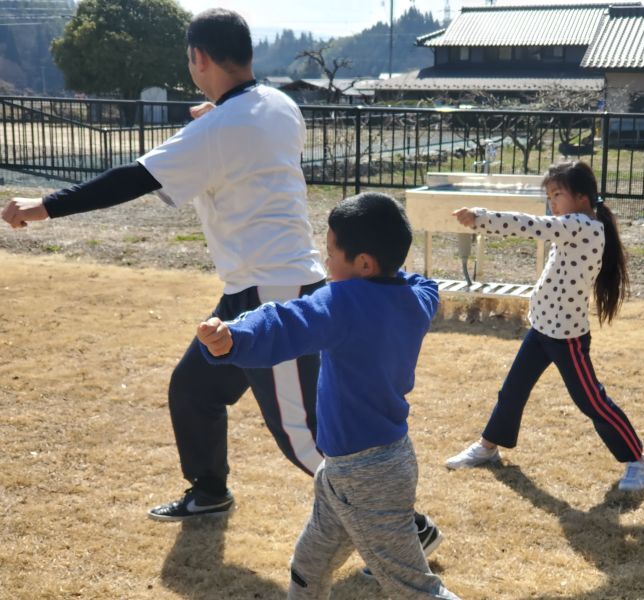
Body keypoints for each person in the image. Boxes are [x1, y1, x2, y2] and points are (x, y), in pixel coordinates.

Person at [0, 8, 441, 552]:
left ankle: (408, 527)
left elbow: (131, 180)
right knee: (195, 388)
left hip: (273, 289)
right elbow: (242, 137)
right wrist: (216, 115)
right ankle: (209, 489)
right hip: (253, 286)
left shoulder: (217, 128)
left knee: (305, 441)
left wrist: (41, 206)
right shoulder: (277, 105)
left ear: (199, 58)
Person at [197, 193, 460, 600]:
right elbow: (420, 281)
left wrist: (233, 337)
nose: (325, 261)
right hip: (368, 465)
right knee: (309, 568)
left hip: (364, 476)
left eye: (332, 251)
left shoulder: (343, 303)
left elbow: (287, 322)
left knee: (414, 589)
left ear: (364, 264)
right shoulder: (416, 299)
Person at [445, 161, 644, 492]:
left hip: (567, 338)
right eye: (549, 195)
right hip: (542, 329)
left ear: (583, 197)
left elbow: (531, 225)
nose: (552, 202)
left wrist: (482, 218)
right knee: (512, 390)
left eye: (558, 194)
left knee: (592, 402)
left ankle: (638, 461)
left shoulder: (583, 227)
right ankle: (488, 447)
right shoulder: (574, 224)